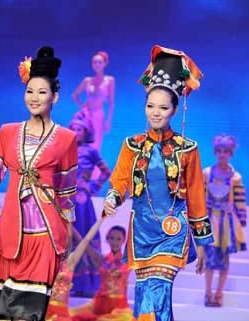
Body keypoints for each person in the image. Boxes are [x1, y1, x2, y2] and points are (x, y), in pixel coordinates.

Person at [0, 46, 78, 321]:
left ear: (55, 97)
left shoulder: (67, 139)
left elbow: (66, 190)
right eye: (30, 91)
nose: (34, 98)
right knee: (1, 312)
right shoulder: (8, 132)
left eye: (42, 92)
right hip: (13, 232)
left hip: (46, 235)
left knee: (28, 313)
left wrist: (67, 234)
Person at [102, 45, 214, 321]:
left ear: (175, 110)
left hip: (172, 231)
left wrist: (201, 244)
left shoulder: (188, 149)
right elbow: (119, 181)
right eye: (151, 106)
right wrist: (112, 198)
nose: (155, 112)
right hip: (141, 232)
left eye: (163, 107)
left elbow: (197, 197)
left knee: (158, 288)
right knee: (143, 297)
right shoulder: (132, 146)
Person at [68, 110, 111, 294]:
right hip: (66, 198)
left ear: (86, 132)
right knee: (69, 236)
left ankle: (88, 285)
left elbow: (106, 171)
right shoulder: (65, 149)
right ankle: (69, 283)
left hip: (83, 201)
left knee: (84, 232)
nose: (77, 132)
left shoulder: (90, 151)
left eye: (80, 129)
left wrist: (91, 187)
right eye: (74, 129)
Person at [203, 134, 247, 307]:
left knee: (224, 259)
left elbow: (240, 199)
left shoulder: (235, 177)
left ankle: (219, 293)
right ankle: (208, 292)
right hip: (211, 220)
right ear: (215, 152)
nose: (222, 154)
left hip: (227, 223)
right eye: (219, 151)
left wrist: (241, 220)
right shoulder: (207, 173)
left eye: (225, 151)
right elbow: (199, 195)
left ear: (230, 154)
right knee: (209, 258)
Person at [67, 225, 134, 321]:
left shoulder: (128, 261)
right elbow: (84, 244)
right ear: (108, 239)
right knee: (71, 315)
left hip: (120, 307)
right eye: (112, 238)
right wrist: (70, 225)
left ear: (124, 241)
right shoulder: (101, 259)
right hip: (100, 303)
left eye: (118, 239)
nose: (115, 242)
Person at [45, 217, 105, 321]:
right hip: (44, 311)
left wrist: (102, 218)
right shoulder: (45, 261)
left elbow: (86, 240)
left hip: (61, 315)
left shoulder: (70, 262)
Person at [72, 51, 115, 152]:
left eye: (99, 62)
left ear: (105, 63)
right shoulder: (87, 80)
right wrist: (83, 106)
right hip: (87, 115)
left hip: (98, 116)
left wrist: (108, 121)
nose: (97, 64)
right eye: (94, 62)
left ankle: (94, 167)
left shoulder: (109, 80)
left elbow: (111, 103)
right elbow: (75, 95)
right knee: (83, 142)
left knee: (96, 144)